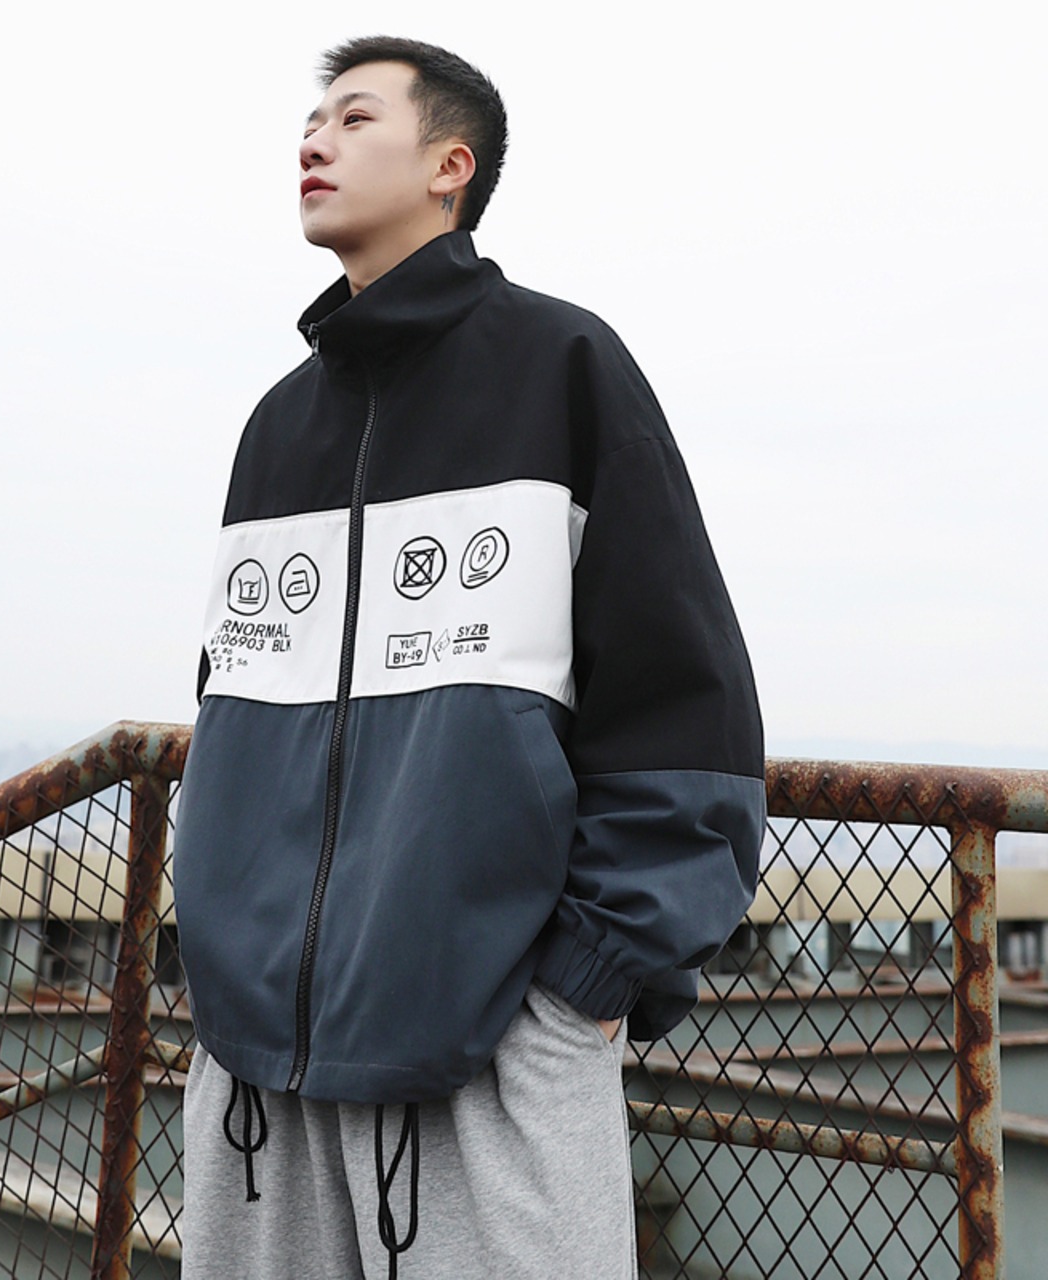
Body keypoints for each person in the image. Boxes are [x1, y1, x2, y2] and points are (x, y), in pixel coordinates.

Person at [172, 35, 764, 1280]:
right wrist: (217, 954)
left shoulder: (562, 368)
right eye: (311, 120)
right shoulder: (276, 427)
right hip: (254, 1071)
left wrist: (580, 987)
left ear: (451, 166)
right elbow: (232, 702)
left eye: (353, 117)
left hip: (491, 1049)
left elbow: (684, 708)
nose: (312, 141)